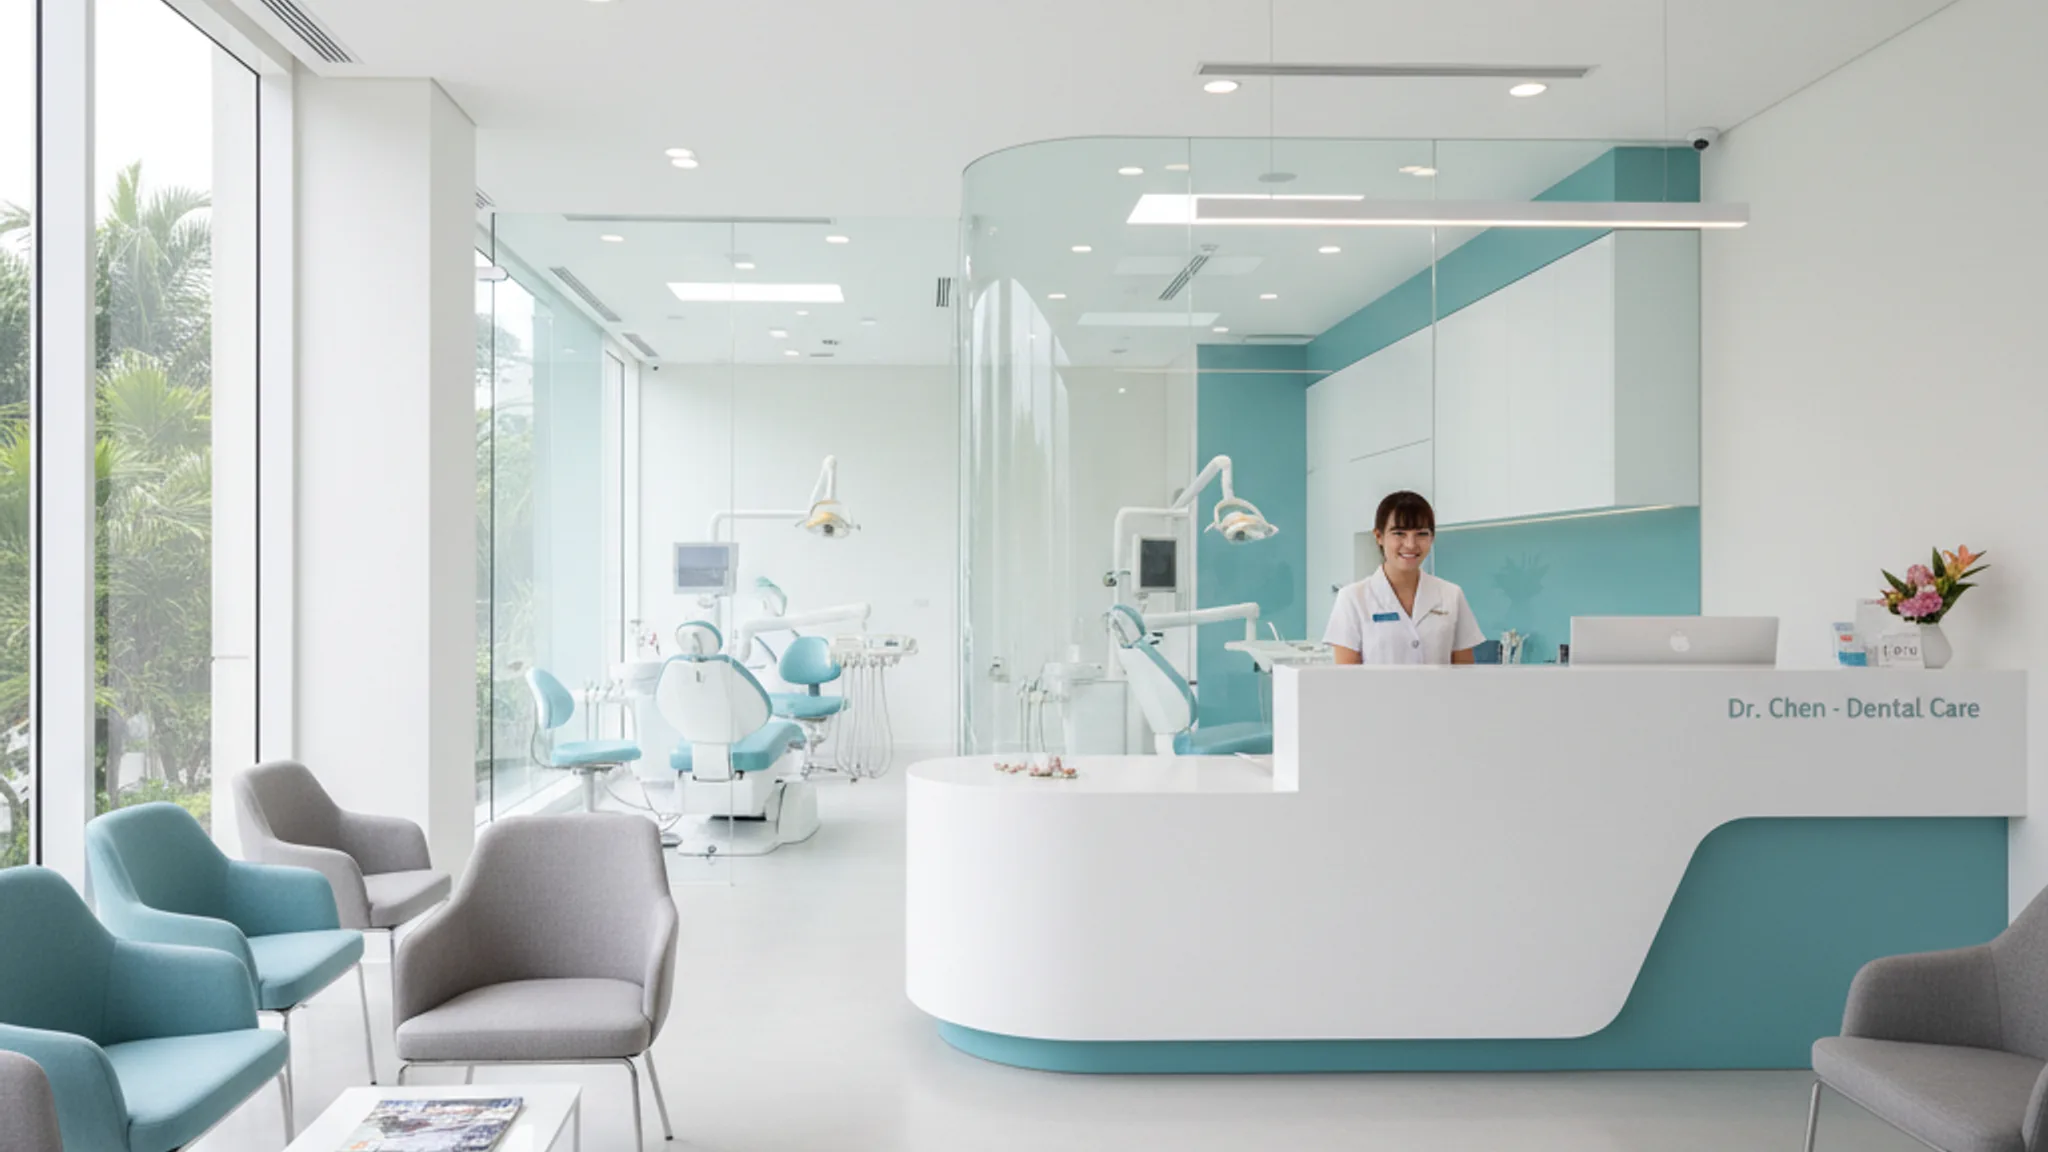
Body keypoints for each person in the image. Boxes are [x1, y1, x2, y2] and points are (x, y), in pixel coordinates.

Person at [1324, 490, 1485, 665]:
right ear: (1379, 536)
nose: (1410, 544)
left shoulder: (1451, 595)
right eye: (1399, 533)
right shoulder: (1353, 598)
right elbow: (1345, 681)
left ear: (1432, 538)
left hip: (1439, 693)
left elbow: (1465, 675)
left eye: (1421, 534)